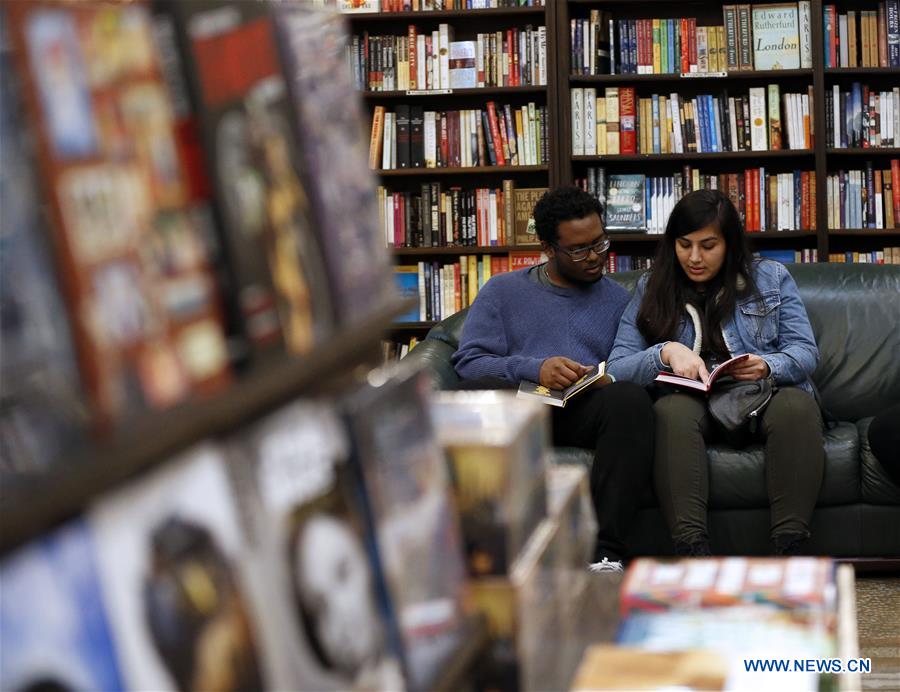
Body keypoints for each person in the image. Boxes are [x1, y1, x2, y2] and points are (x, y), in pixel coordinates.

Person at [608, 189, 824, 557]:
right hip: (692, 401)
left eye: (708, 246)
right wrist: (665, 352)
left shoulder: (770, 277)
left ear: (730, 244)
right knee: (670, 412)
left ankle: (789, 548)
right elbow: (616, 368)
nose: (694, 258)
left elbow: (806, 352)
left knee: (796, 407)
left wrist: (768, 364)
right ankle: (693, 550)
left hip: (761, 393)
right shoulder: (651, 286)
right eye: (684, 244)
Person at [451, 186, 655, 572]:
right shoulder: (503, 291)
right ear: (547, 248)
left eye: (600, 242)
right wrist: (535, 367)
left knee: (630, 400)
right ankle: (483, 551)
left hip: (582, 411)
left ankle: (606, 553)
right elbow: (469, 363)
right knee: (469, 395)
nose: (595, 257)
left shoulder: (618, 299)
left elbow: (626, 363)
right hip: (522, 408)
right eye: (579, 250)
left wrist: (598, 378)